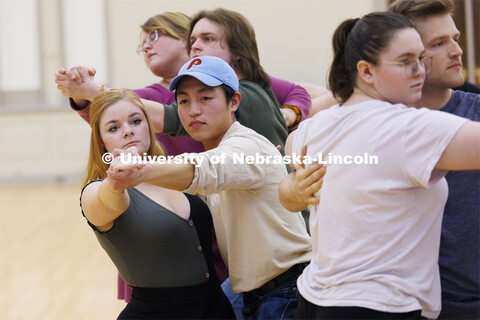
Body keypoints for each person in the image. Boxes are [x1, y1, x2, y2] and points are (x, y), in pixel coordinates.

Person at [279, 11, 480, 319]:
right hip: (376, 306)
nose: (419, 71)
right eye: (406, 61)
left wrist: (288, 189)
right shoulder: (408, 128)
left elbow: (291, 155)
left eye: (421, 58)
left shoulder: (316, 127)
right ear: (366, 71)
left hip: (316, 300)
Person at [106, 56, 312, 320]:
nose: (193, 110)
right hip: (258, 295)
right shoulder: (222, 148)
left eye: (205, 98)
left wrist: (142, 170)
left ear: (234, 101)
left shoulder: (247, 146)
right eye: (184, 101)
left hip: (286, 293)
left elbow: (203, 169)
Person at [79, 88, 235, 319]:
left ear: (149, 127)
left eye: (136, 121)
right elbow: (109, 201)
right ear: (101, 143)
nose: (128, 131)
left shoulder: (174, 173)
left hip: (216, 309)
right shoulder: (95, 190)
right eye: (114, 127)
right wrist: (115, 181)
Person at [389, 1, 480, 318]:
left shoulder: (477, 112)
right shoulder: (380, 125)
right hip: (408, 305)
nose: (457, 50)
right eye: (439, 44)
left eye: (454, 38)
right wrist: (292, 188)